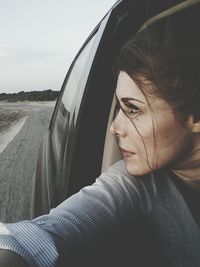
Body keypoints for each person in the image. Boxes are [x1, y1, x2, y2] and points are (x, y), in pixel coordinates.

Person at [0, 4, 200, 267]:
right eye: (118, 107)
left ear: (194, 116)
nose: (114, 128)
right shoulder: (135, 183)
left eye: (133, 109)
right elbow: (46, 233)